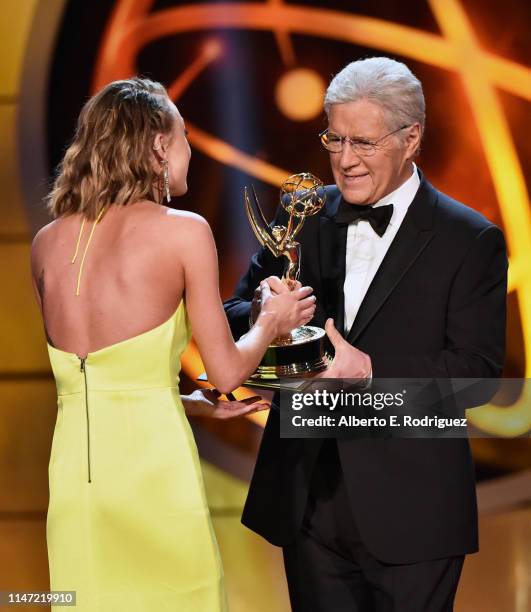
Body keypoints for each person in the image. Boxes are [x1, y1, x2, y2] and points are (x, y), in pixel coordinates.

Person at [224, 57, 508, 611]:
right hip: (308, 500)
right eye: (334, 138)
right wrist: (264, 312)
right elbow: (233, 311)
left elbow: (476, 378)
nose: (344, 161)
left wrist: (369, 371)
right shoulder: (302, 216)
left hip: (414, 511)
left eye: (364, 143)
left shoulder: (469, 240)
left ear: (412, 138)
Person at [30, 77, 316, 611]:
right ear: (159, 145)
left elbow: (98, 384)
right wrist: (272, 321)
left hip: (75, 488)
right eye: (184, 134)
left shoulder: (47, 243)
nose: (189, 148)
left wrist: (189, 403)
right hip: (154, 483)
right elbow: (227, 372)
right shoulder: (183, 231)